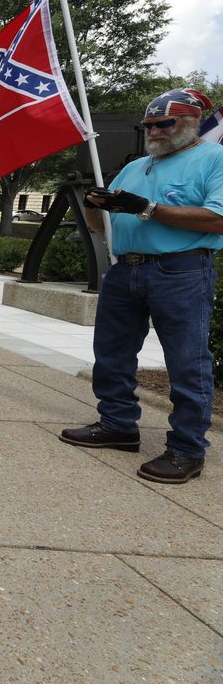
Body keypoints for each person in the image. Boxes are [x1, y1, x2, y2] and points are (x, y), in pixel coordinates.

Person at [60, 88, 223, 485]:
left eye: (162, 124)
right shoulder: (136, 166)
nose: (153, 130)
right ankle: (118, 424)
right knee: (112, 353)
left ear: (190, 122)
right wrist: (93, 206)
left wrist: (146, 208)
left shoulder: (213, 158)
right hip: (125, 269)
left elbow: (218, 219)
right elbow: (103, 228)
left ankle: (187, 449)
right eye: (147, 124)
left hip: (182, 271)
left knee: (186, 362)